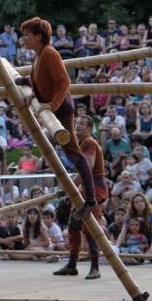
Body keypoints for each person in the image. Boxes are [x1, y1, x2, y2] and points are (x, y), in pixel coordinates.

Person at [16, 17, 97, 219]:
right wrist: (31, 88)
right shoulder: (39, 55)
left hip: (61, 111)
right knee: (71, 154)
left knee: (75, 155)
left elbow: (64, 82)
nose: (24, 38)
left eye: (27, 35)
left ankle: (91, 200)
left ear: (39, 36)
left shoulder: (50, 53)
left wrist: (50, 105)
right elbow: (41, 79)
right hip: (52, 107)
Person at [54, 115, 107, 280]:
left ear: (90, 129)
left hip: (95, 188)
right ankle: (71, 265)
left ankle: (95, 267)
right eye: (76, 123)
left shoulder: (89, 142)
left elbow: (88, 168)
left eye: (82, 124)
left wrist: (69, 186)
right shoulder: (81, 143)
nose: (77, 125)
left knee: (89, 228)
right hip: (87, 187)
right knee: (74, 225)